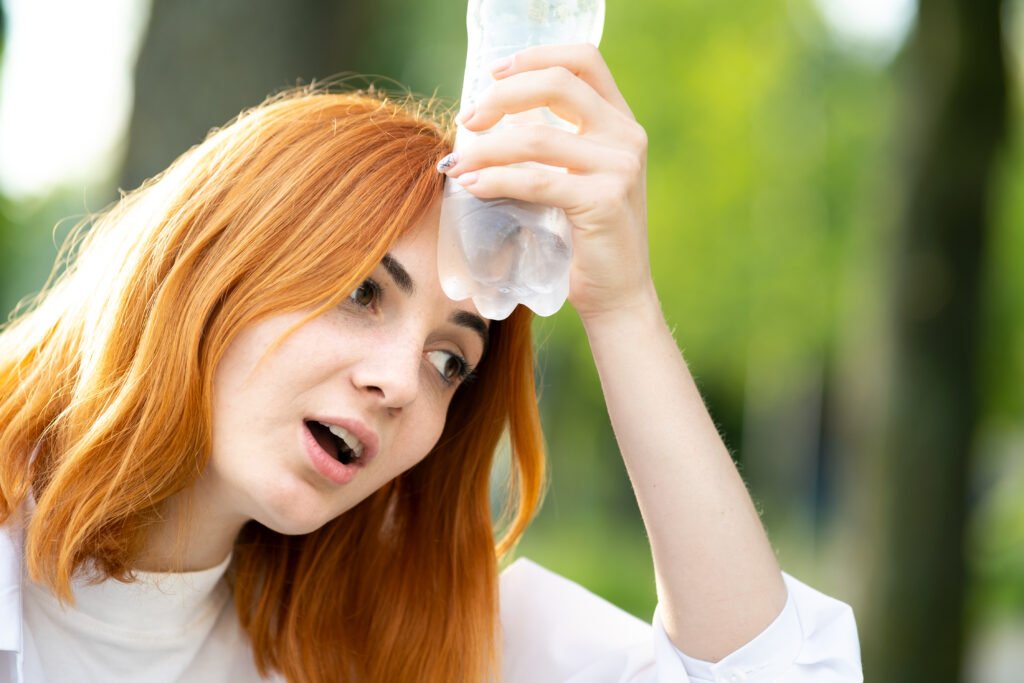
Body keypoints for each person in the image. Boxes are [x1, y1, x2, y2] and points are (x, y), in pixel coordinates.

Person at [0, 45, 861, 682]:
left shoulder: (408, 638)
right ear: (214, 262)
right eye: (362, 292)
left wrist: (624, 307)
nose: (401, 381)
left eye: (451, 359)